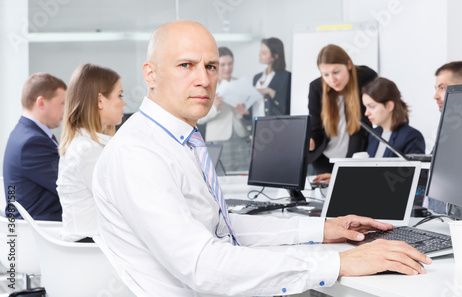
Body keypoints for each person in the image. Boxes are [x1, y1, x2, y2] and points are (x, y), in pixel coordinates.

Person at [92, 20, 430, 297]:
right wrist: (339, 264)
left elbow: (223, 228)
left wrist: (323, 229)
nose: (205, 79)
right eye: (186, 65)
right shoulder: (139, 153)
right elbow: (203, 265)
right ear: (150, 75)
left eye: (211, 66)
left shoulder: (179, 141)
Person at [56, 63, 125, 242]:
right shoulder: (87, 151)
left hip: (92, 244)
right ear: (100, 100)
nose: (124, 102)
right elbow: (121, 203)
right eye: (120, 95)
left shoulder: (87, 145)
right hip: (90, 250)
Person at [3, 73, 66, 221]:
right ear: (41, 103)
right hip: (45, 231)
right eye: (62, 103)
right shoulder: (32, 142)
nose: (65, 109)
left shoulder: (24, 133)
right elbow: (68, 186)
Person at [308, 44, 377, 175]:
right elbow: (316, 130)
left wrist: (346, 167)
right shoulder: (316, 88)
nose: (332, 80)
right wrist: (311, 142)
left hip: (355, 156)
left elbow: (361, 128)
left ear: (349, 65)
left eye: (336, 72)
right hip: (323, 159)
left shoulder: (366, 77)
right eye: (325, 75)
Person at [427, 61, 462, 213]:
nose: (435, 96)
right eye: (436, 88)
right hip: (440, 219)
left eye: (442, 88)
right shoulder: (449, 128)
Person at [197, 47, 251, 172]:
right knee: (221, 178)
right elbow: (198, 119)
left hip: (241, 137)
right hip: (218, 139)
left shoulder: (240, 84)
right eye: (223, 64)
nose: (227, 68)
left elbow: (248, 113)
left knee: (244, 175)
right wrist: (215, 107)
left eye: (230, 63)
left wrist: (242, 114)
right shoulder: (207, 86)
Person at [364, 77, 425, 157]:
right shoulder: (373, 135)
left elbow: (412, 169)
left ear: (389, 106)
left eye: (371, 106)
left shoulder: (412, 137)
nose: (366, 113)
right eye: (365, 107)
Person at [252, 37, 291, 116]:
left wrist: (271, 92)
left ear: (275, 56)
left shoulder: (286, 77)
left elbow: (286, 107)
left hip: (272, 125)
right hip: (255, 123)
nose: (260, 55)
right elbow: (252, 108)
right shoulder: (257, 77)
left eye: (264, 53)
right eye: (260, 52)